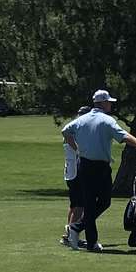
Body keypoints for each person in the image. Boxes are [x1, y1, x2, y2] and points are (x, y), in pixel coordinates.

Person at [61, 90, 136, 252]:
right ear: (103, 103)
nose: (111, 105)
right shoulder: (107, 121)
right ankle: (90, 242)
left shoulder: (82, 119)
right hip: (98, 167)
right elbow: (124, 136)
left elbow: (65, 131)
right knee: (95, 203)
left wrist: (77, 149)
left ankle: (76, 228)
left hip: (84, 165)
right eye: (109, 102)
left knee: (101, 202)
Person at [61, 106, 90, 248]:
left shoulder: (75, 128)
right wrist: (80, 150)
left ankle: (68, 234)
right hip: (76, 171)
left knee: (74, 205)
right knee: (79, 205)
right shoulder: (75, 129)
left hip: (70, 172)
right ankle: (73, 235)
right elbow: (70, 139)